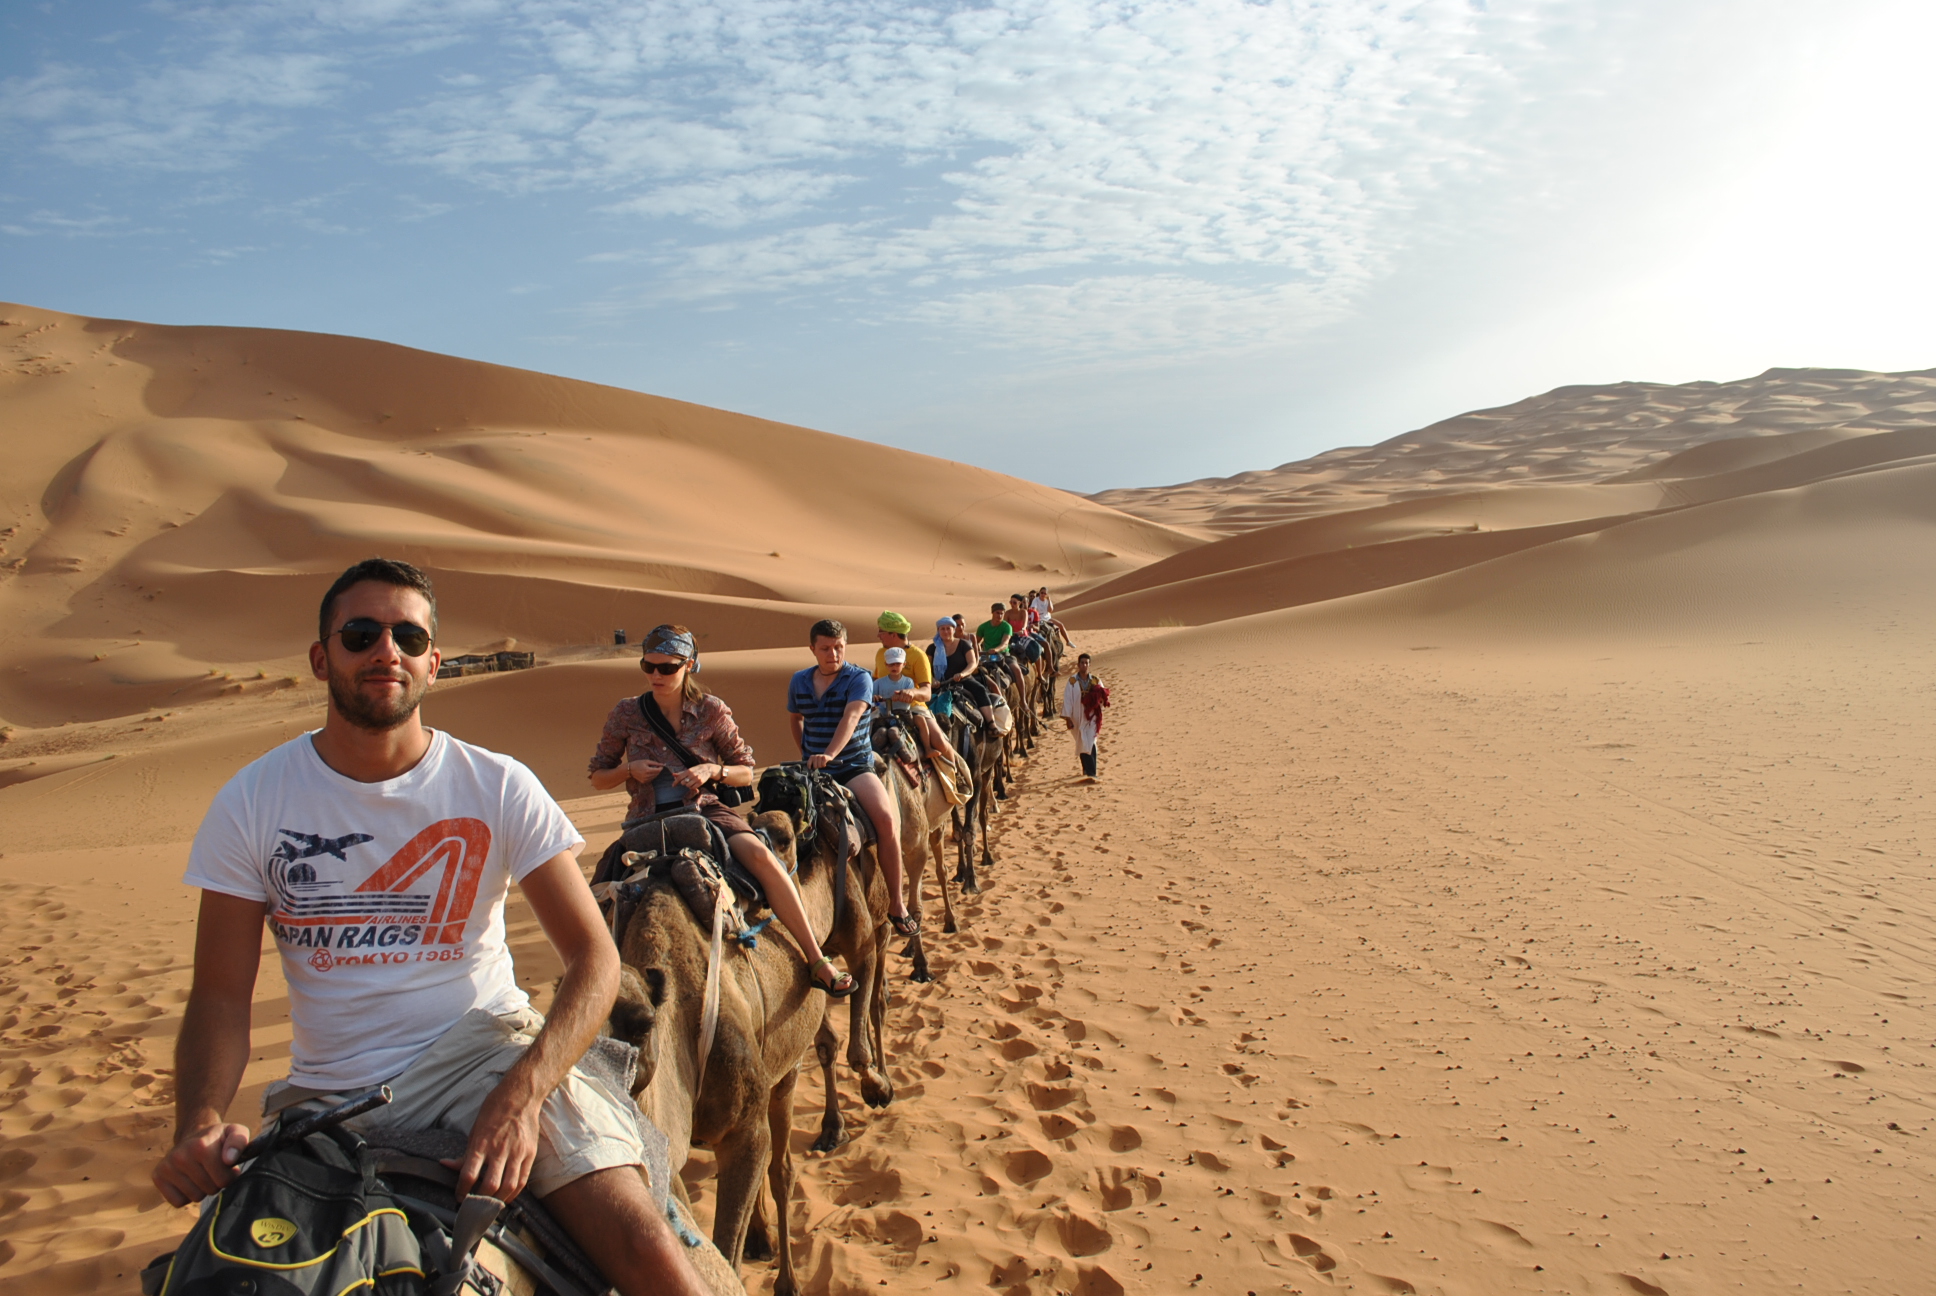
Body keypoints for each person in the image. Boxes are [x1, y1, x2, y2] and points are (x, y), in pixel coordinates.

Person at [154, 558, 708, 1296]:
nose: (387, 651)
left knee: (649, 1255)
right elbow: (221, 997)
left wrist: (525, 1092)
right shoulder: (253, 801)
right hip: (328, 1101)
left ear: (433, 664)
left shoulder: (496, 784)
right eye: (361, 633)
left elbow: (594, 960)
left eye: (409, 637)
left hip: (482, 1056)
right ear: (322, 657)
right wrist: (198, 1121)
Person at [588, 624, 855, 997]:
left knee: (761, 857)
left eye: (667, 668)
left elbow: (746, 769)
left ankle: (815, 958)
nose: (656, 675)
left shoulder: (710, 711)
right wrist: (627, 771)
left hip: (705, 812)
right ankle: (589, 988)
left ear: (690, 665)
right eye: (648, 666)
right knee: (594, 898)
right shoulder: (626, 714)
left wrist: (713, 771)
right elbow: (598, 776)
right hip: (645, 821)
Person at [788, 619, 918, 936]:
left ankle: (897, 904)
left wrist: (830, 754)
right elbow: (795, 719)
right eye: (825, 648)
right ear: (812, 649)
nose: (832, 653)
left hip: (853, 765)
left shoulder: (858, 678)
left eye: (838, 647)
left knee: (886, 820)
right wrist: (807, 754)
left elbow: (852, 716)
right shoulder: (799, 681)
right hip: (814, 768)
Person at [873, 610, 963, 768]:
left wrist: (911, 693)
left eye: (881, 632)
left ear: (894, 634)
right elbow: (875, 680)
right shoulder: (881, 654)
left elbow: (927, 692)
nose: (878, 636)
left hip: (913, 708)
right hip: (882, 708)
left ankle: (957, 777)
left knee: (940, 742)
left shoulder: (918, 656)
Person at [1061, 652, 1110, 780]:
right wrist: (1068, 718)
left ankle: (1092, 773)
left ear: (1089, 665)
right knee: (1082, 742)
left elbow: (1103, 697)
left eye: (1086, 663)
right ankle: (1086, 770)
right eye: (1082, 662)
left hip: (1092, 717)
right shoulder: (1072, 681)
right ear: (1078, 665)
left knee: (1091, 742)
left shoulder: (1096, 680)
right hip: (1077, 717)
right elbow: (1067, 700)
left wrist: (1099, 699)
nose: (1084, 665)